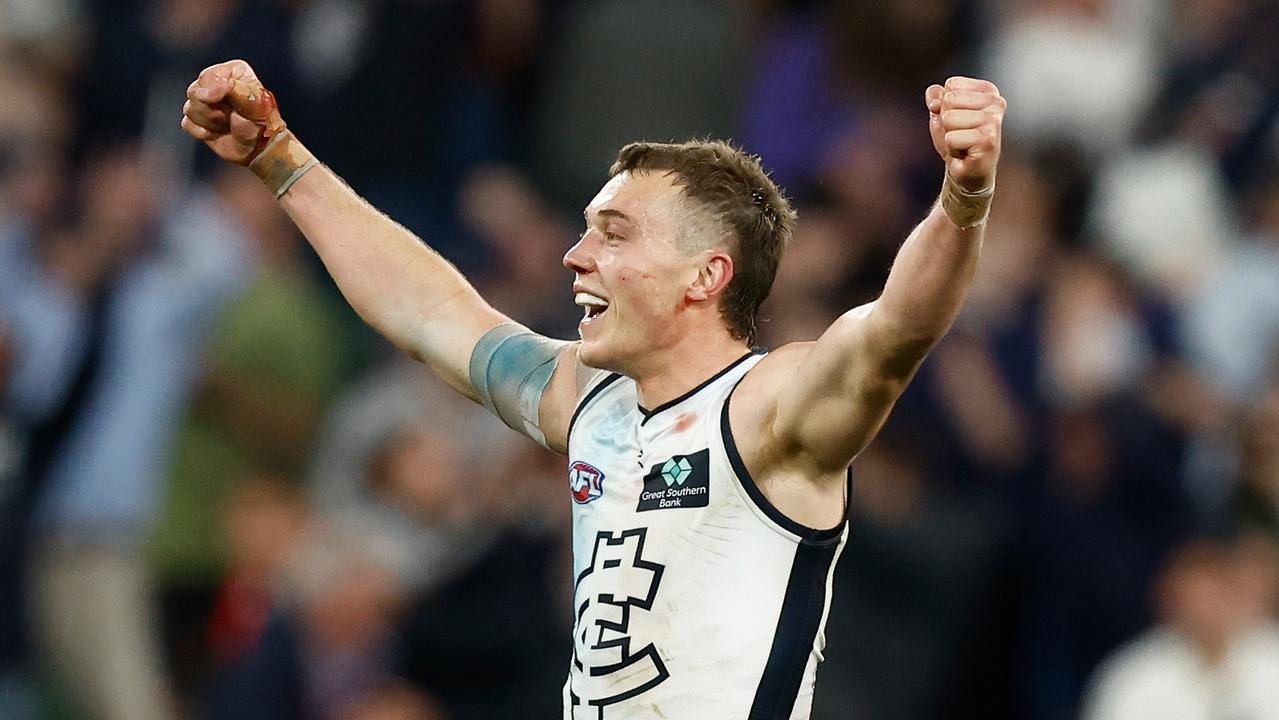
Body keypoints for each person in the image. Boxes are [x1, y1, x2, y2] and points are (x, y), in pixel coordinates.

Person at [180, 58, 1005, 719]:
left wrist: (963, 196)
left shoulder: (767, 411)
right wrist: (279, 159)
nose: (575, 257)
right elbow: (429, 309)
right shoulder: (590, 405)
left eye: (612, 234)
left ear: (705, 275)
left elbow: (898, 327)